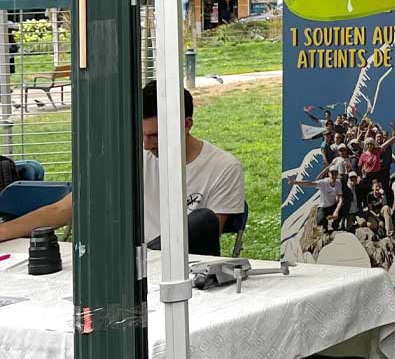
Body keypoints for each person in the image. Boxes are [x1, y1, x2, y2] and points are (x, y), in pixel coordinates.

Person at [0, 82, 245, 256]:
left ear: (186, 124)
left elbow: (204, 237)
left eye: (155, 135)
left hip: (183, 272)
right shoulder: (130, 157)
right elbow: (63, 209)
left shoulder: (224, 169)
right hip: (128, 267)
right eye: (141, 134)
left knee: (200, 220)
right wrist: (4, 232)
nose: (146, 145)